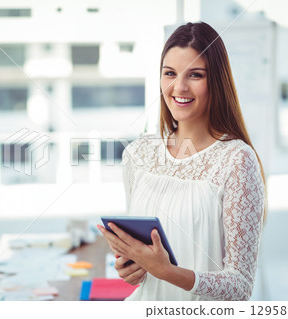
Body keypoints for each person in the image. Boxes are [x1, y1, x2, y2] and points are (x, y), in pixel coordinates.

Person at [97, 21, 266, 301]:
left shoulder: (237, 161)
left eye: (195, 75)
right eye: (170, 74)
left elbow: (240, 287)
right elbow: (144, 263)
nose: (180, 87)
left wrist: (166, 271)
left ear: (217, 81)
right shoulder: (138, 154)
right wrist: (132, 268)